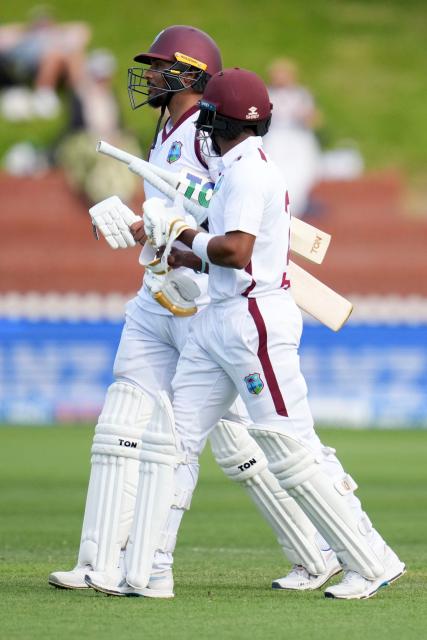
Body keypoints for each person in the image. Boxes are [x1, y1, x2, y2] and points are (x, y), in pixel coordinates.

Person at [89, 67, 406, 600]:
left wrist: (182, 230)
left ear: (215, 119)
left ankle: (370, 561)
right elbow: (220, 257)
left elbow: (234, 250)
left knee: (291, 444)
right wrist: (169, 246)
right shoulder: (238, 169)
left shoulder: (247, 175)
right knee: (173, 440)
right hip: (219, 314)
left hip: (255, 320)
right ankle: (151, 568)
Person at [48, 27, 340, 598]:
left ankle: (323, 550)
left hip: (205, 305)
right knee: (122, 424)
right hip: (156, 293)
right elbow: (172, 208)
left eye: (159, 67)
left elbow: (228, 215)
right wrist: (137, 224)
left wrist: (184, 231)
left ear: (189, 73)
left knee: (245, 442)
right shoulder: (163, 129)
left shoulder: (213, 134)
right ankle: (105, 562)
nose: (150, 76)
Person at [0, 7, 91, 120]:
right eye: (40, 22)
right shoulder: (27, 37)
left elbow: (82, 29)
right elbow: (3, 34)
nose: (43, 24)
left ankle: (80, 94)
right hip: (31, 66)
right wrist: (26, 29)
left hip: (62, 65)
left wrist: (55, 30)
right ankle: (44, 95)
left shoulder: (58, 34)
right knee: (54, 56)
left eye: (46, 21)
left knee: (73, 54)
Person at [263, 58, 322, 217]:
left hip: (297, 138)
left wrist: (304, 115)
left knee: (301, 171)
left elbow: (314, 119)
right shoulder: (266, 94)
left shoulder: (301, 94)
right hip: (274, 138)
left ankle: (298, 206)